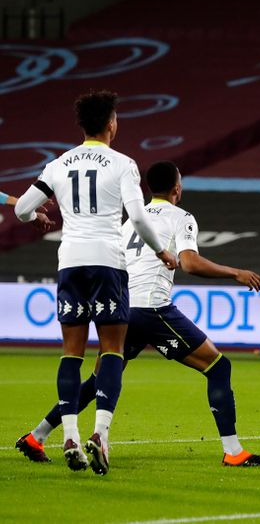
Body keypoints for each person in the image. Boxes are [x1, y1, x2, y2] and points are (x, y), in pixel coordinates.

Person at [15, 161, 260, 468]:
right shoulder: (182, 217)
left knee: (99, 378)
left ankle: (36, 436)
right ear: (177, 188)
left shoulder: (128, 223)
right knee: (218, 366)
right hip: (153, 309)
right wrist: (236, 273)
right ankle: (233, 451)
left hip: (122, 308)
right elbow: (189, 263)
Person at [14, 90, 177, 475]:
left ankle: (69, 434)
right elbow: (137, 218)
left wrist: (37, 214)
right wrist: (161, 252)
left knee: (72, 352)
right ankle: (100, 434)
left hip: (70, 262)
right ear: (110, 124)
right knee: (112, 350)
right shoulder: (123, 164)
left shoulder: (57, 164)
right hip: (107, 261)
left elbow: (21, 208)